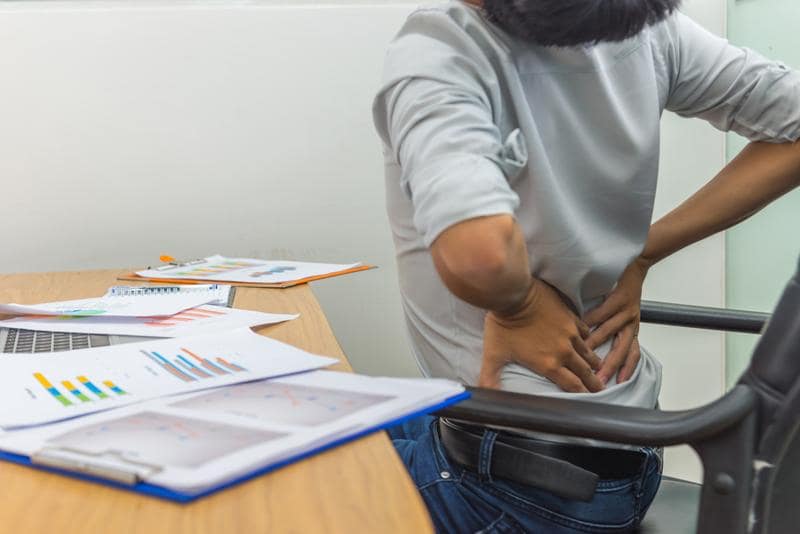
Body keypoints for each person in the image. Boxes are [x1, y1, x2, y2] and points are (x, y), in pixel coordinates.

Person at [372, 0, 800, 532]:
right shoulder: (651, 32)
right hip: (624, 451)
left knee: (272, 489)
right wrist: (646, 251)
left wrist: (520, 308)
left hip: (504, 482)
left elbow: (477, 256)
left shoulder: (442, 48)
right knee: (341, 423)